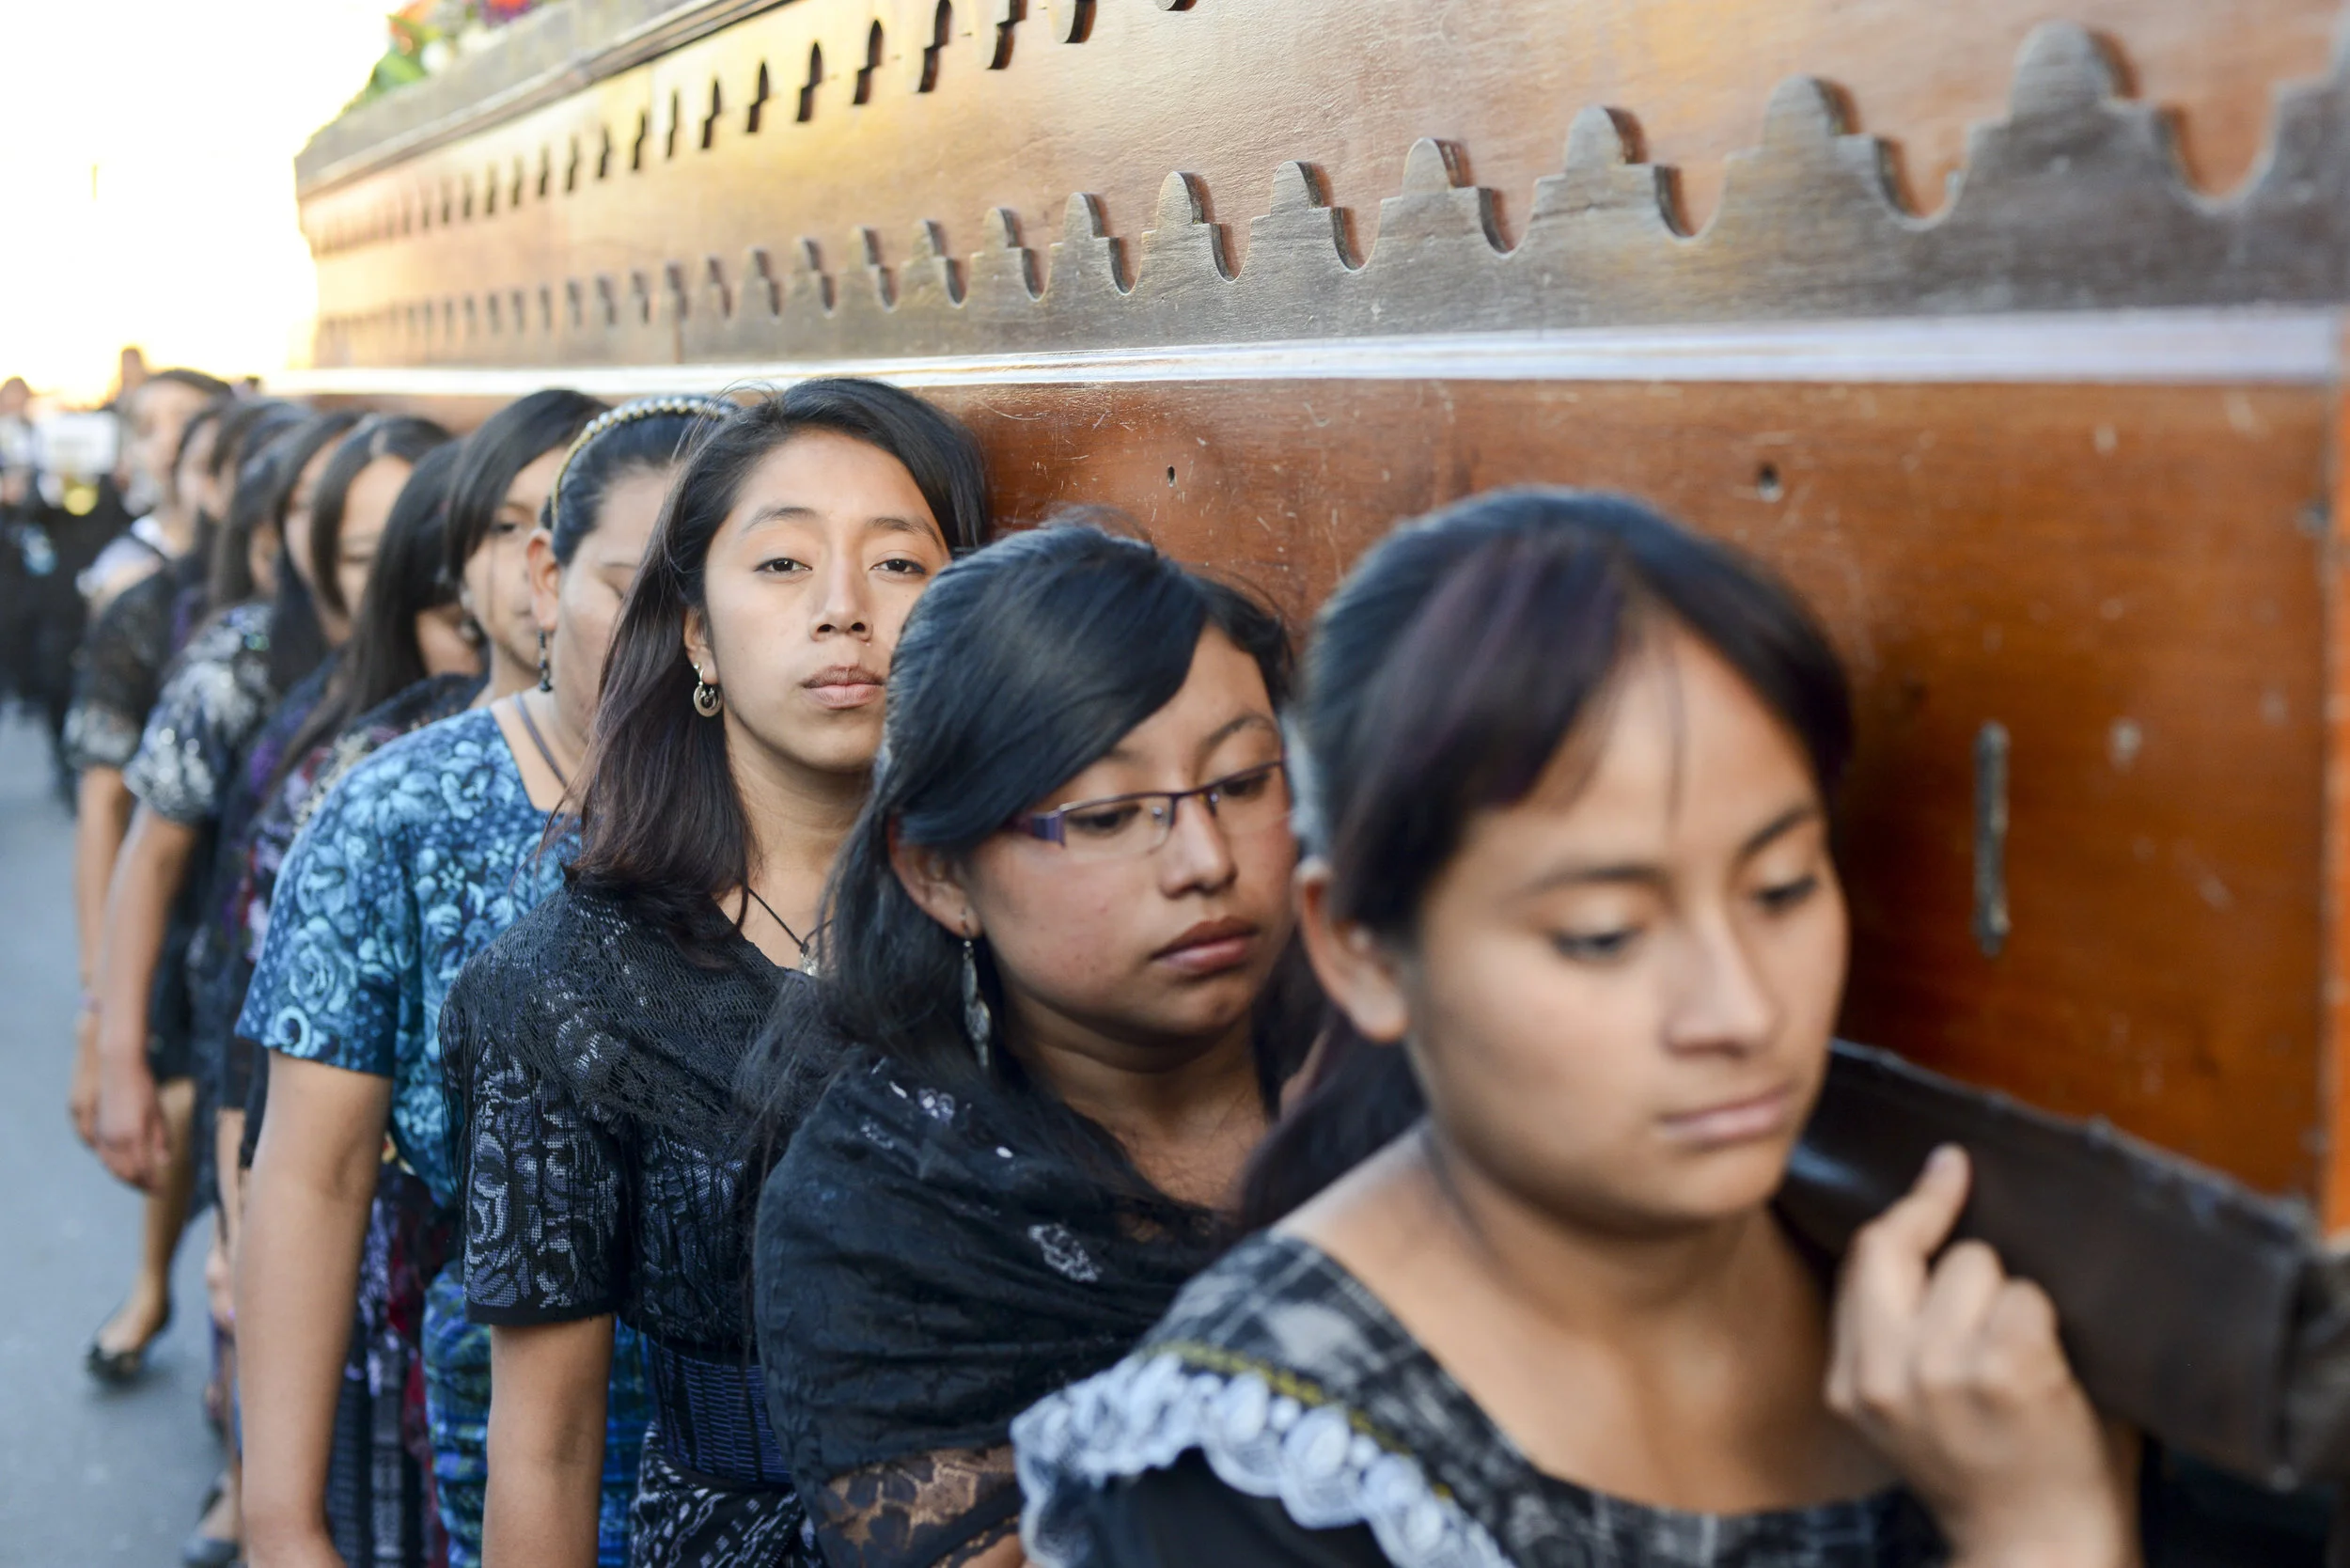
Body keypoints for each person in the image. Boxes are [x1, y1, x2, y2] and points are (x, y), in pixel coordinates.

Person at [1011, 490, 2138, 1568]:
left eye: (1783, 888)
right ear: (1360, 946)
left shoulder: (1966, 1311)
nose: (1741, 1011)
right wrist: (2038, 1540)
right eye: (1602, 936)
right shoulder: (1253, 1476)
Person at [442, 381, 992, 1568]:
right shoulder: (566, 991)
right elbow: (545, 1445)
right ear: (696, 629)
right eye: (785, 565)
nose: (845, 612)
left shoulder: (1030, 930)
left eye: (899, 566)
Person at [750, 519, 1313, 1568]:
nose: (1203, 859)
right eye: (1106, 815)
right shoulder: (877, 1220)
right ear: (939, 875)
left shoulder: (1400, 1062)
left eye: (1241, 785)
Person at [235, 389, 650, 1568]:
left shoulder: (793, 796)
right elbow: (307, 1173)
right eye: (635, 588)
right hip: (511, 1403)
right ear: (543, 576)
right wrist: (282, 1520)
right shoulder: (392, 807)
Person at [77, 412, 340, 1380]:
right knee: (210, 1148)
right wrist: (102, 1023)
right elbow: (122, 820)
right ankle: (186, 1341)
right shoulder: (205, 636)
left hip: (273, 961)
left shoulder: (403, 655)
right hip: (211, 937)